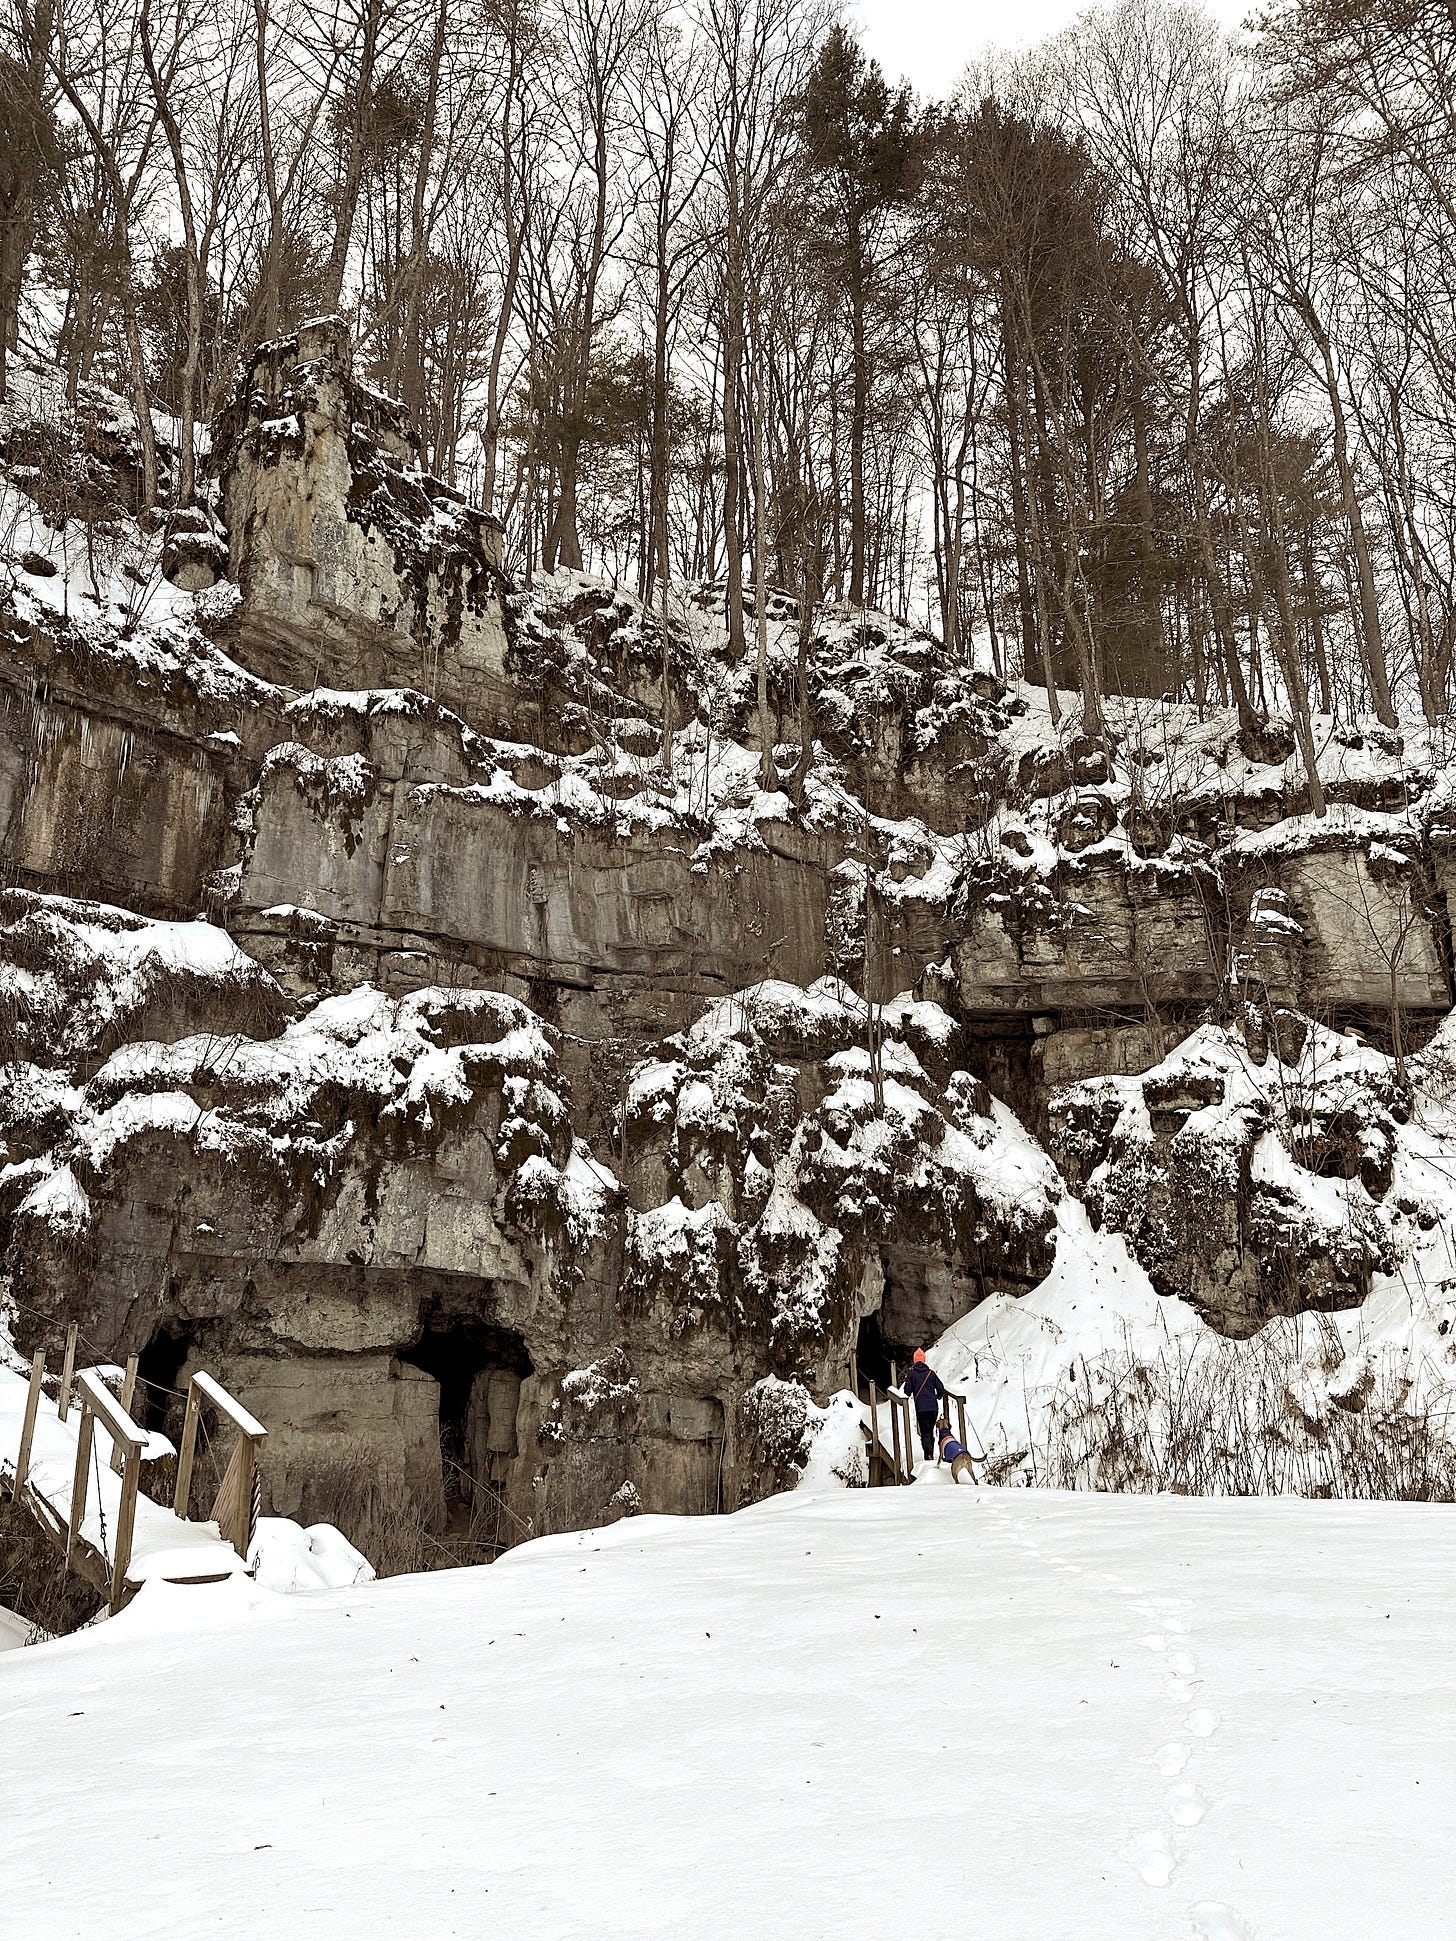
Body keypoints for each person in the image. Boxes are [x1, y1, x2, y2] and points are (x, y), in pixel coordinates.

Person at [903, 1349, 945, 1461]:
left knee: (925, 1432)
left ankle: (928, 1455)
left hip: (921, 1408)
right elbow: (941, 1388)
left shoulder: (912, 1374)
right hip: (933, 1408)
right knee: (930, 1431)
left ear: (915, 1361)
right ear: (924, 1360)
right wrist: (938, 1396)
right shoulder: (931, 1373)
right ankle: (930, 1452)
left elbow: (907, 1391)